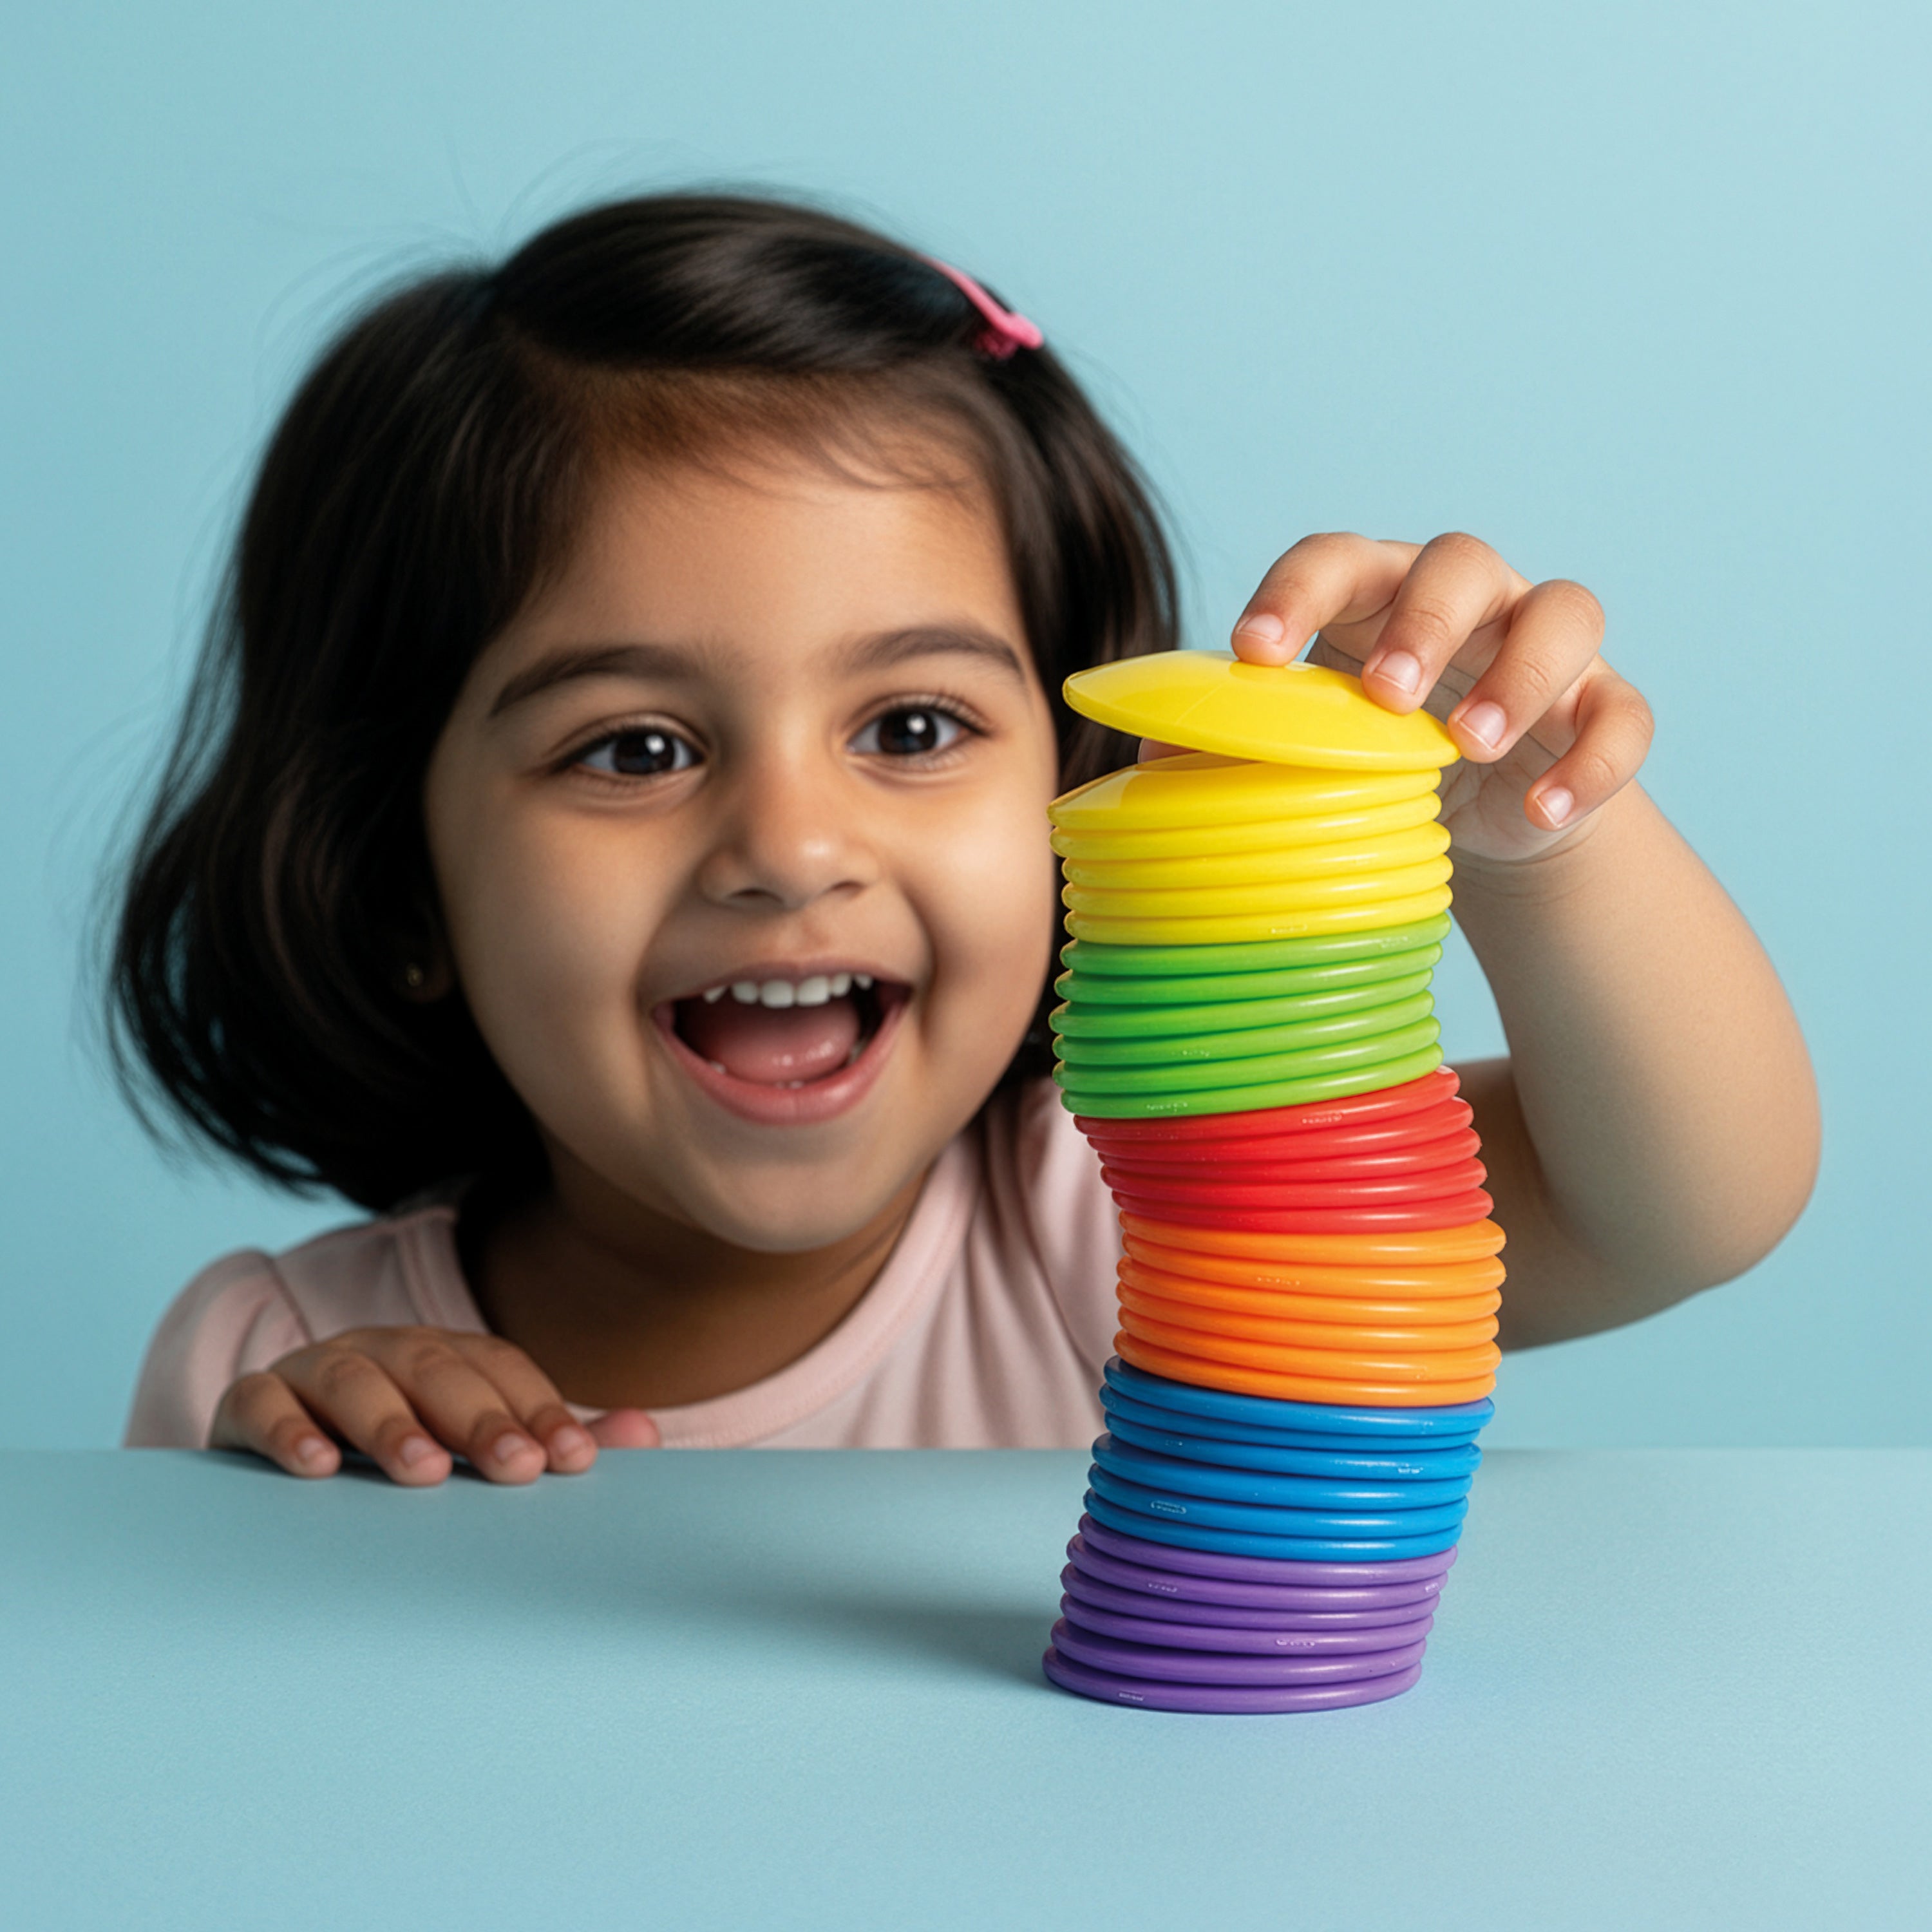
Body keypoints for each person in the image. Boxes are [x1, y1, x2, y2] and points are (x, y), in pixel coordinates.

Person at [111, 193, 1819, 1482]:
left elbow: (1679, 1208)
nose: (789, 844)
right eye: (634, 749)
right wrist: (310, 1485)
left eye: (912, 730)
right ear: (397, 875)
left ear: (1076, 796)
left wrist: (1533, 842)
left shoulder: (1134, 1217)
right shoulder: (280, 1359)